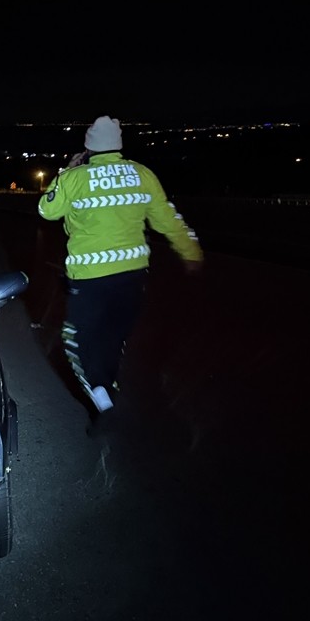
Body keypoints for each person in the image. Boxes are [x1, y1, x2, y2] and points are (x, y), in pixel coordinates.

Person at [38, 115, 203, 424]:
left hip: (89, 279)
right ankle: (108, 387)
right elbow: (168, 218)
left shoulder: (76, 178)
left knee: (76, 338)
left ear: (88, 147)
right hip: (132, 277)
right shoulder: (143, 175)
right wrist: (190, 251)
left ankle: (100, 393)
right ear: (118, 145)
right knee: (113, 337)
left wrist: (66, 172)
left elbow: (47, 209)